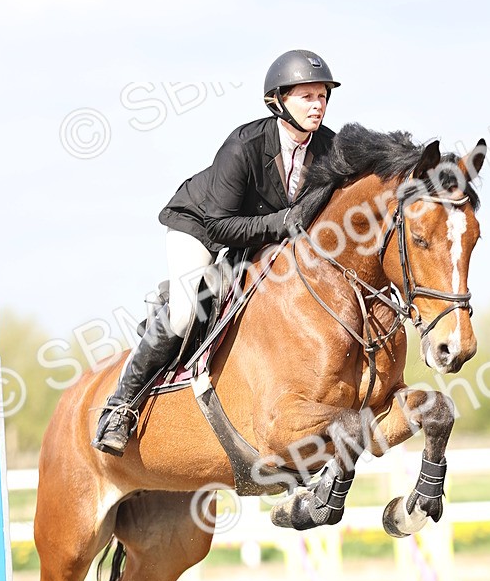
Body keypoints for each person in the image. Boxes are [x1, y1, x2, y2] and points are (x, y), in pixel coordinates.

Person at [92, 49, 340, 455]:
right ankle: (120, 407)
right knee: (187, 312)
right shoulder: (244, 144)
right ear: (279, 101)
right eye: (307, 96)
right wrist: (281, 224)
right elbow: (219, 225)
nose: (318, 106)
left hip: (259, 237)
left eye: (323, 97)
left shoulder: (329, 147)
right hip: (200, 227)